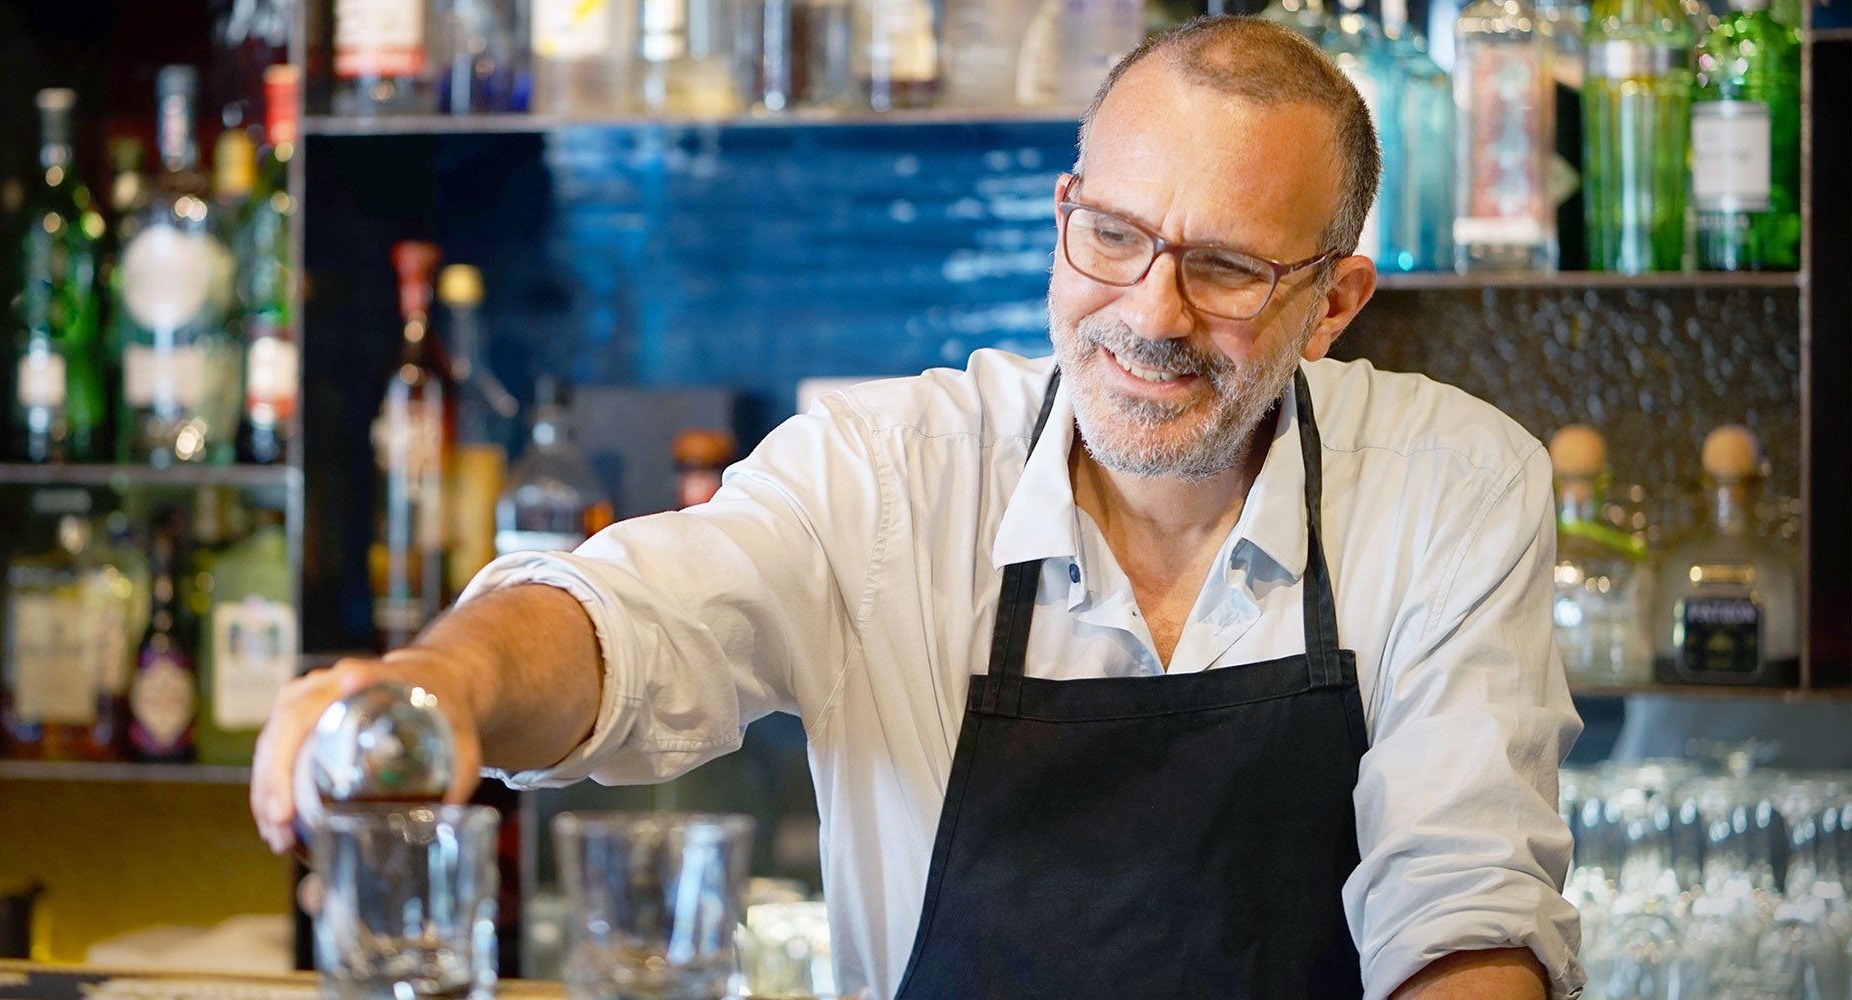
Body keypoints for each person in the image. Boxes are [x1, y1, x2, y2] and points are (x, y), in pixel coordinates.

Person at [253, 15, 1585, 1000]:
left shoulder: (1449, 486)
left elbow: (1466, 908)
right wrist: (441, 687)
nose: (1149, 316)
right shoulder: (893, 471)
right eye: (1112, 237)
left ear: (1334, 306)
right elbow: (636, 616)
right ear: (1065, 211)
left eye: (1227, 267)